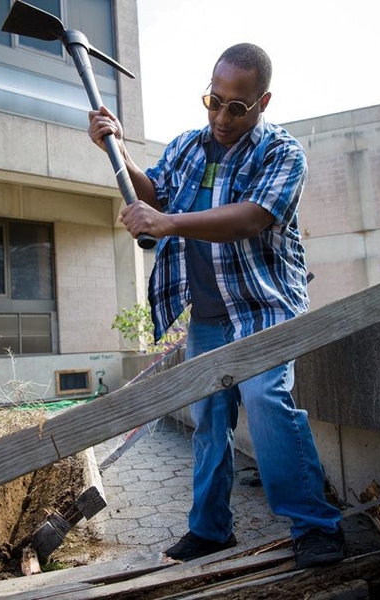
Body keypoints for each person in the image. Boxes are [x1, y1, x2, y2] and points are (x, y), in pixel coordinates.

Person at [88, 42, 344, 568]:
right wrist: (120, 152)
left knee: (267, 401)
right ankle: (210, 530)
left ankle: (315, 525)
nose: (222, 116)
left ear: (263, 102)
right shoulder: (188, 146)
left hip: (264, 306)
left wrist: (170, 223)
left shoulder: (283, 154)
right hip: (208, 314)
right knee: (208, 419)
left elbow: (250, 218)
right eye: (214, 100)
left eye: (237, 106)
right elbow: (154, 195)